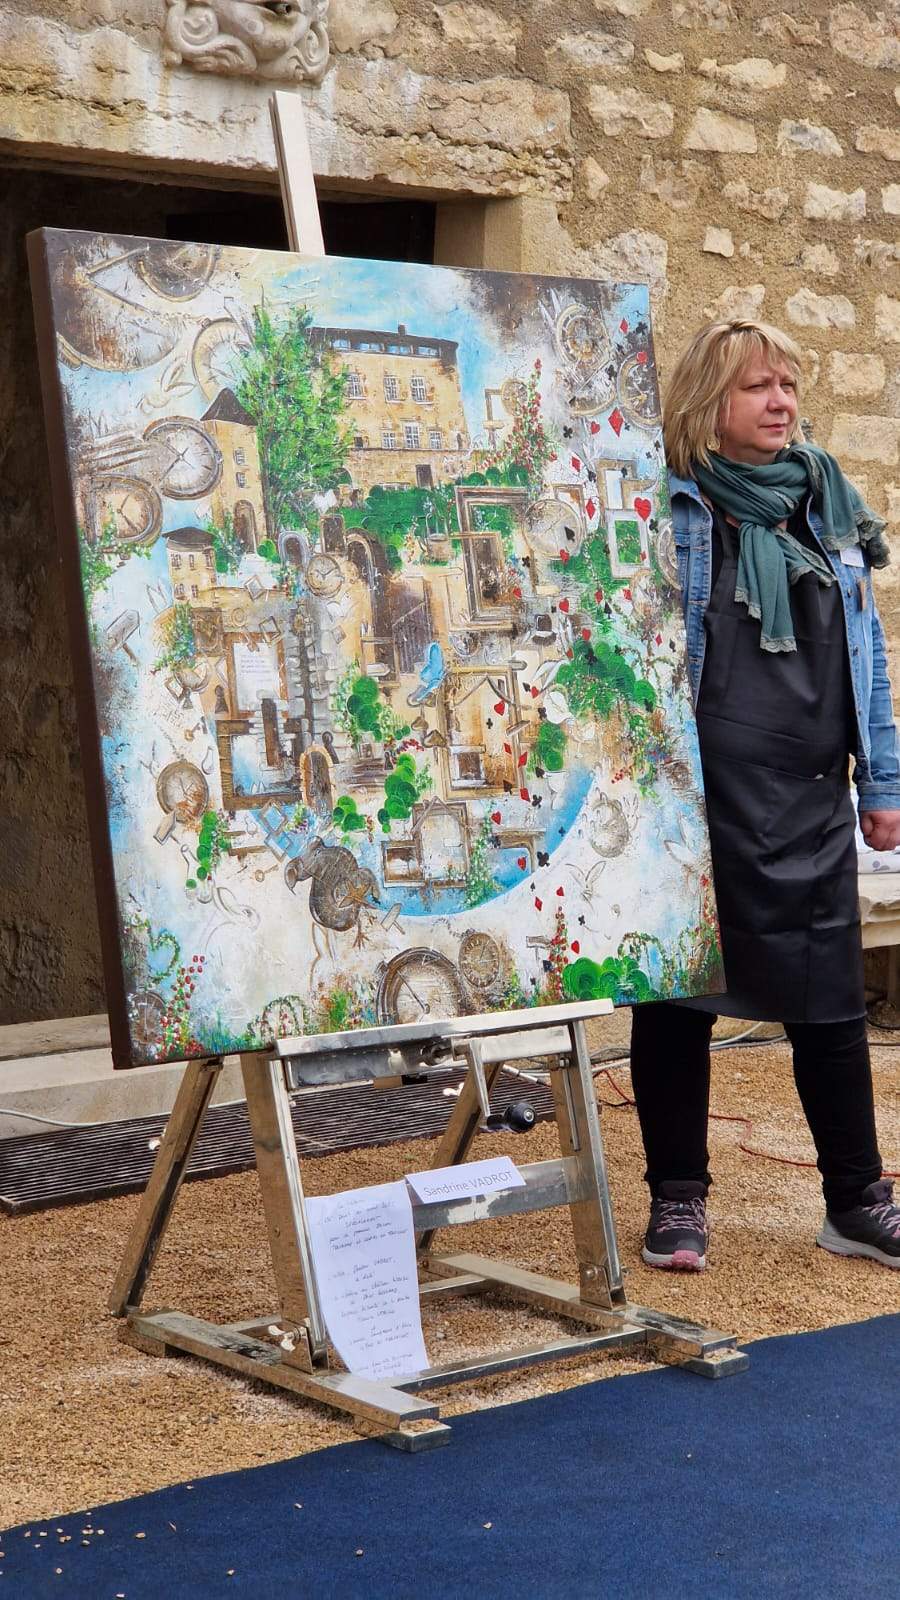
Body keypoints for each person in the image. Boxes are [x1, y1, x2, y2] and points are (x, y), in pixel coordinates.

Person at [630, 318, 900, 1273]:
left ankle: (857, 1202)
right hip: (695, 798)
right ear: (710, 401)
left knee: (830, 1004)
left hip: (810, 795)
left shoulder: (825, 503)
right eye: (758, 387)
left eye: (787, 385)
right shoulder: (667, 507)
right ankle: (678, 1198)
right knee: (680, 997)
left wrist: (884, 780)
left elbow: (867, 653)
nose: (781, 403)